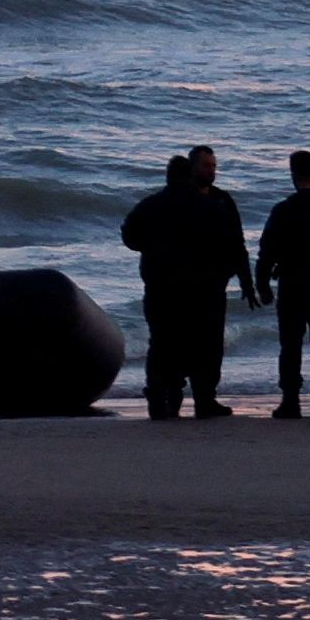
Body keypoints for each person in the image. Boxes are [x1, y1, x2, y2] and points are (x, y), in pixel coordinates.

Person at [118, 145, 252, 421]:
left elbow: (129, 236)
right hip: (203, 288)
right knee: (204, 344)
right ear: (190, 174)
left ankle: (160, 398)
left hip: (161, 286)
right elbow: (231, 245)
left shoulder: (151, 205)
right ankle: (203, 400)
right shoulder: (211, 207)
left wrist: (151, 249)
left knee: (162, 343)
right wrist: (232, 277)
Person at [255, 150, 310, 421]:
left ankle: (290, 401)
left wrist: (262, 284)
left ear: (293, 173)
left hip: (294, 284)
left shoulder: (285, 209)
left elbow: (267, 250)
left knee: (290, 344)